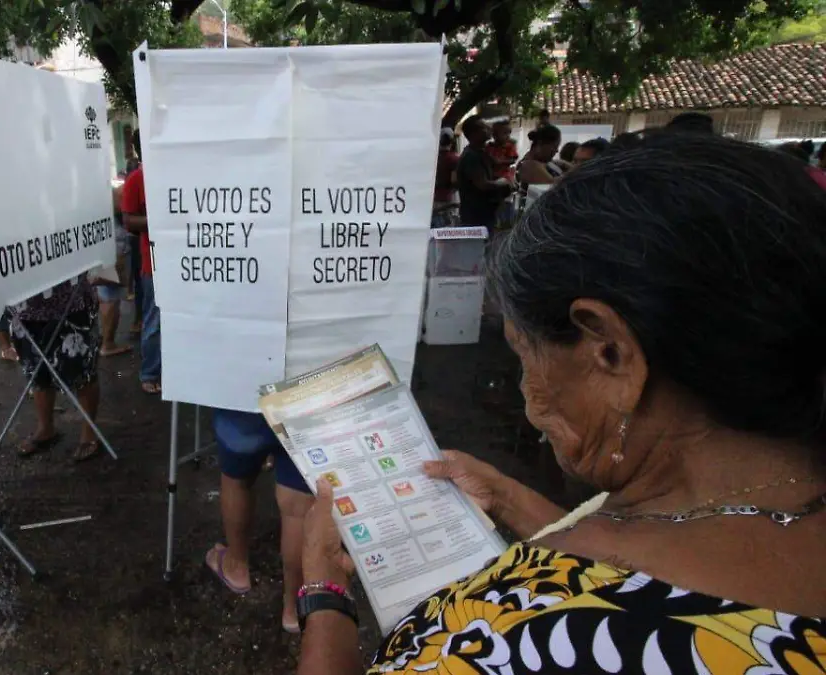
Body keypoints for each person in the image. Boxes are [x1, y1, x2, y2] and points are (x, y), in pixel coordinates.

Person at [295, 132, 826, 675]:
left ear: (610, 353)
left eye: (524, 357)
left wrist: (324, 589)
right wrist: (504, 497)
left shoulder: (542, 642)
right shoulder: (765, 494)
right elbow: (625, 570)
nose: (527, 399)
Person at [203, 409, 314, 634]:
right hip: (308, 393)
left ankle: (236, 566)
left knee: (237, 480)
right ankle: (294, 607)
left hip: (244, 392)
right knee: (297, 507)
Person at [8, 275, 104, 463]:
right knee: (36, 371)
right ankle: (45, 429)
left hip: (70, 302)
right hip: (25, 307)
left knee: (83, 371)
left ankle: (89, 434)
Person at [120, 130, 161, 394]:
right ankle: (150, 373)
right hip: (154, 264)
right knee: (154, 319)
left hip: (183, 262)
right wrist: (160, 220)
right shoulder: (136, 180)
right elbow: (128, 221)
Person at [455, 115, 513, 228]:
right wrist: (504, 182)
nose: (490, 129)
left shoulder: (481, 152)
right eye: (484, 127)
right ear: (473, 134)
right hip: (476, 218)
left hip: (484, 214)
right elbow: (483, 184)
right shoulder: (471, 156)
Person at [96, 180, 132, 358]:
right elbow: (120, 205)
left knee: (106, 297)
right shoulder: (111, 191)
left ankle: (106, 340)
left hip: (106, 245)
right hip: (112, 247)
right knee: (110, 298)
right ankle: (107, 343)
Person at [515, 124, 564, 198]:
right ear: (540, 144)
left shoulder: (544, 163)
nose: (557, 150)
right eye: (555, 146)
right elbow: (556, 186)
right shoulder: (529, 166)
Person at [431, 128, 460, 228]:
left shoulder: (433, 158)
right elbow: (454, 181)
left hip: (432, 199)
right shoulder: (455, 159)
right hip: (448, 201)